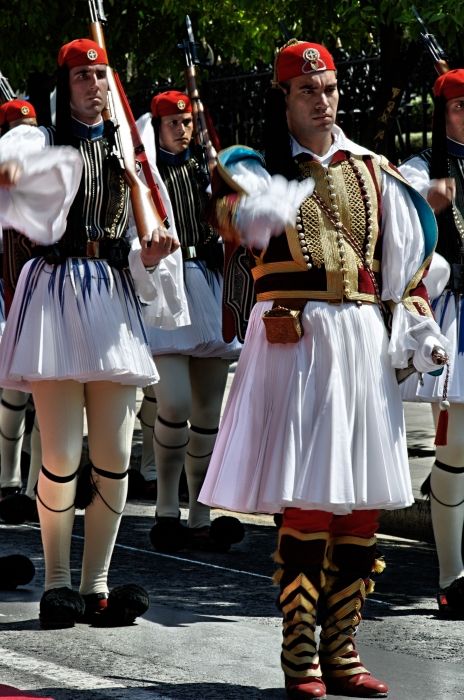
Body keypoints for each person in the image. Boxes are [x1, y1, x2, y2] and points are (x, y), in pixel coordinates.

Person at [199, 40, 449, 699]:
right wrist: (251, 214)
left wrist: (421, 331)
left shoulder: (372, 170)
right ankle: (300, 651)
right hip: (297, 343)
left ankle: (342, 648)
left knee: (360, 504)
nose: (323, 99)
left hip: (362, 339)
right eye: (308, 89)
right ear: (283, 97)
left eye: (331, 88)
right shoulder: (251, 169)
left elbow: (405, 265)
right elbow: (227, 217)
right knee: (308, 499)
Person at [0, 38, 187, 629]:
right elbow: (14, 169)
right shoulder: (41, 139)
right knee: (59, 449)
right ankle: (57, 580)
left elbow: (141, 231)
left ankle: (96, 583)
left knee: (112, 451)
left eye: (100, 74)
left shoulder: (129, 148)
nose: (93, 84)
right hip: (55, 291)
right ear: (65, 84)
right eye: (81, 75)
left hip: (109, 293)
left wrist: (151, 253)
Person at [136, 91, 244, 552]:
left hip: (210, 283)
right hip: (170, 286)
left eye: (186, 122)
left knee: (206, 412)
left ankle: (200, 511)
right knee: (174, 402)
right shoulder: (146, 176)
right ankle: (165, 506)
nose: (182, 129)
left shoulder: (209, 169)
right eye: (172, 123)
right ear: (157, 127)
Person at [399, 68, 464, 620]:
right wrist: (431, 209)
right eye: (460, 107)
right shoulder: (420, 173)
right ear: (442, 113)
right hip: (457, 315)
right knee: (456, 448)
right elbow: (399, 244)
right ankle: (451, 574)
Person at [0, 98, 42, 525]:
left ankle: (34, 489)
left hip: (47, 300)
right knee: (12, 397)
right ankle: (8, 480)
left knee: (48, 396)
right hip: (8, 301)